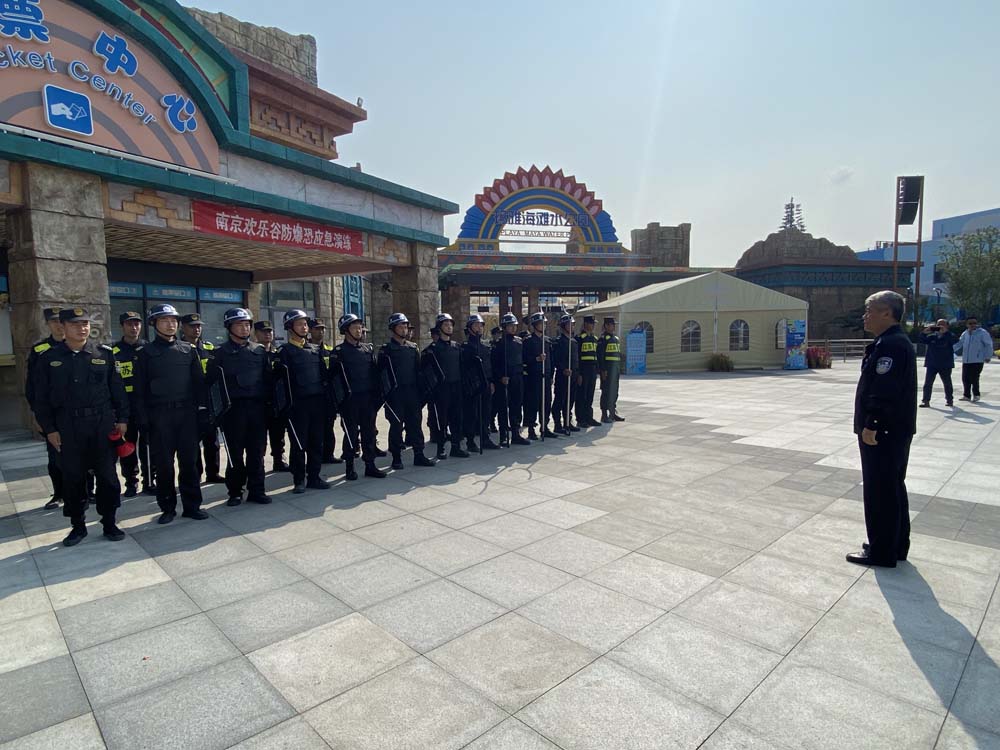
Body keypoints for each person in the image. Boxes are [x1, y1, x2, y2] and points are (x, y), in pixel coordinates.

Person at [30, 308, 129, 546]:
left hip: (101, 426)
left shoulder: (103, 354)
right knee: (73, 478)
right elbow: (40, 398)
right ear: (62, 327)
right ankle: (78, 525)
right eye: (75, 324)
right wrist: (49, 429)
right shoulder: (48, 358)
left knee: (108, 477)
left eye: (85, 323)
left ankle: (109, 522)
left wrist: (123, 419)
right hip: (68, 427)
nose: (82, 328)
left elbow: (117, 390)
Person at [846, 290, 917, 568]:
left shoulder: (890, 345)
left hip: (884, 430)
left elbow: (884, 389)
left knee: (880, 490)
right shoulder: (892, 342)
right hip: (895, 429)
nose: (865, 316)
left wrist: (872, 423)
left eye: (870, 310)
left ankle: (881, 551)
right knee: (892, 487)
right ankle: (894, 544)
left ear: (887, 313)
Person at [134, 304, 209, 525]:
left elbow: (199, 385)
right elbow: (139, 391)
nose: (170, 324)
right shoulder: (145, 353)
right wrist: (143, 421)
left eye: (174, 320)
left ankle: (192, 506)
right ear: (154, 324)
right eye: (165, 320)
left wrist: (202, 413)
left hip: (186, 415)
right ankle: (167, 507)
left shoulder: (188, 350)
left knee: (189, 463)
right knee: (164, 465)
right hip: (160, 417)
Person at [207, 308, 272, 507]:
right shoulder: (219, 353)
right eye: (239, 325)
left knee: (257, 452)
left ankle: (257, 490)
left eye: (247, 324)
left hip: (256, 409)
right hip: (233, 411)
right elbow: (212, 385)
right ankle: (235, 491)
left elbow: (268, 380)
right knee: (235, 453)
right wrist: (216, 414)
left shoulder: (259, 351)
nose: (244, 328)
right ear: (229, 327)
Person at [276, 309, 330, 494]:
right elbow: (279, 383)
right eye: (299, 324)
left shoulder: (315, 350)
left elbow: (324, 377)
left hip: (317, 403)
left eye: (305, 324)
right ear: (290, 327)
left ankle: (314, 476)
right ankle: (299, 480)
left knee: (316, 442)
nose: (304, 327)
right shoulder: (284, 352)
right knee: (299, 444)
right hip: (297, 406)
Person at [332, 313, 387, 480]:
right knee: (351, 435)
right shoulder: (338, 352)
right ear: (345, 330)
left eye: (360, 327)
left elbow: (375, 374)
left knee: (369, 433)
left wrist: (378, 397)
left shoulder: (367, 350)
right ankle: (349, 467)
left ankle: (370, 465)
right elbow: (334, 380)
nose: (359, 330)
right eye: (355, 327)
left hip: (368, 399)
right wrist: (339, 403)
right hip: (350, 401)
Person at [379, 313, 435, 470]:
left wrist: (422, 393)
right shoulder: (386, 350)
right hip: (395, 395)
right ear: (393, 328)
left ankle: (419, 454)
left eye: (405, 326)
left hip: (412, 393)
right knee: (396, 426)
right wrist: (386, 396)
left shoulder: (412, 348)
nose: (404, 329)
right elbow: (381, 374)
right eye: (400, 326)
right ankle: (396, 458)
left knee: (415, 424)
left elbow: (418, 371)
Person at [25, 306, 65, 510]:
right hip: (52, 413)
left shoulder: (78, 347)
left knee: (84, 454)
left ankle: (88, 491)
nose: (59, 325)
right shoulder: (40, 350)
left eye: (61, 321)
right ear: (47, 324)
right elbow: (32, 387)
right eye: (54, 321)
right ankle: (59, 493)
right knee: (55, 456)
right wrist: (37, 415)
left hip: (76, 412)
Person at [112, 311, 154, 497]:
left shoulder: (149, 349)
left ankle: (149, 480)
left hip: (145, 406)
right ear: (122, 326)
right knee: (127, 446)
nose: (134, 327)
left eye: (137, 324)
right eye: (129, 324)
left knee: (148, 446)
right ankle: (131, 482)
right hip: (125, 408)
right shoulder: (113, 352)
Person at [180, 313, 224, 483]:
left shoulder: (208, 348)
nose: (196, 329)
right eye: (192, 326)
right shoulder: (179, 349)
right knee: (192, 444)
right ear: (183, 328)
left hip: (209, 402)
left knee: (212, 441)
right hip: (189, 403)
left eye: (199, 326)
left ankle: (213, 473)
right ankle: (195, 475)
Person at [423, 313, 468, 459]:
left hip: (456, 387)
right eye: (445, 325)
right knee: (441, 420)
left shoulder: (457, 347)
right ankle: (441, 448)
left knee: (457, 418)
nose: (449, 327)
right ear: (439, 327)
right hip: (441, 389)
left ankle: (456, 447)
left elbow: (462, 367)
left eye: (450, 325)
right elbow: (426, 371)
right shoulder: (433, 349)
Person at [254, 320, 289, 471]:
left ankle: (278, 459)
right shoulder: (253, 353)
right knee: (259, 437)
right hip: (260, 401)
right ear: (256, 334)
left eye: (270, 331)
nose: (267, 334)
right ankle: (259, 463)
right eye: (264, 332)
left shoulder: (278, 353)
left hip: (276, 400)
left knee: (278, 433)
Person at [461, 313, 499, 452]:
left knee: (486, 412)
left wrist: (491, 381)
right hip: (473, 385)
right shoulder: (465, 347)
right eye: (476, 325)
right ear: (470, 328)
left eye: (481, 325)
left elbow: (489, 366)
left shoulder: (485, 346)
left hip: (486, 383)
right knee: (472, 413)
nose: (479, 327)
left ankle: (485, 437)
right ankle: (470, 441)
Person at [492, 312, 530, 446]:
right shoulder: (499, 343)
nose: (513, 328)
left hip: (517, 377)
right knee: (503, 407)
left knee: (516, 406)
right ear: (504, 327)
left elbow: (524, 359)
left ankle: (515, 433)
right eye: (510, 326)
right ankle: (503, 435)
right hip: (504, 379)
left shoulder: (519, 341)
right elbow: (494, 363)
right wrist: (500, 377)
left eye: (515, 325)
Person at [310, 318, 342, 465]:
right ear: (310, 331)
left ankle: (328, 454)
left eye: (322, 329)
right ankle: (315, 457)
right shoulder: (306, 350)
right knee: (314, 429)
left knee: (329, 426)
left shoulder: (329, 350)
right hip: (313, 395)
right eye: (317, 329)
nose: (321, 331)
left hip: (328, 395)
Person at [523, 311, 558, 440]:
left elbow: (552, 360)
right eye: (540, 323)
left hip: (546, 376)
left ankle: (545, 426)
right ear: (535, 325)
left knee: (546, 403)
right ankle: (531, 428)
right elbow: (524, 359)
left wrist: (551, 375)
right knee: (532, 403)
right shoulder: (528, 341)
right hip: (534, 377)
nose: (543, 326)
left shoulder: (547, 341)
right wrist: (536, 359)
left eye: (544, 323)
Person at [551, 313, 580, 435]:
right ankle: (557, 424)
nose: (572, 327)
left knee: (570, 400)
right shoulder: (559, 342)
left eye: (573, 324)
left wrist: (578, 374)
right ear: (563, 326)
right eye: (569, 324)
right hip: (563, 375)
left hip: (573, 375)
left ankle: (568, 421)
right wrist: (563, 369)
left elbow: (576, 360)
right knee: (560, 400)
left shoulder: (574, 342)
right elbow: (556, 359)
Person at [953, 316, 993, 402]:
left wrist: (988, 356)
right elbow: (959, 344)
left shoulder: (982, 333)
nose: (972, 325)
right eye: (970, 323)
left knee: (974, 378)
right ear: (967, 324)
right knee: (965, 378)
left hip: (977, 360)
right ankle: (966, 395)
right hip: (966, 360)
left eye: (974, 323)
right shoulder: (965, 333)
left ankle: (976, 395)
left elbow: (988, 344)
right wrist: (949, 350)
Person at [919, 319, 955, 408]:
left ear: (947, 326)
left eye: (943, 324)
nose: (940, 326)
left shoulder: (950, 335)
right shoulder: (932, 336)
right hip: (932, 363)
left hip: (945, 364)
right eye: (938, 325)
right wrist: (924, 332)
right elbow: (922, 340)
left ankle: (949, 400)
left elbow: (954, 341)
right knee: (928, 383)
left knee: (947, 383)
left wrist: (946, 333)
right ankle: (925, 401)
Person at [575, 314, 602, 428]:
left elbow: (596, 355)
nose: (593, 325)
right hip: (584, 370)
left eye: (594, 324)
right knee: (582, 395)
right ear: (585, 324)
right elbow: (578, 357)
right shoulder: (579, 338)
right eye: (591, 323)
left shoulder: (594, 338)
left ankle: (588, 417)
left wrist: (598, 370)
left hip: (592, 370)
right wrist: (579, 373)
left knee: (590, 395)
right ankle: (580, 419)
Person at [597, 317, 625, 422]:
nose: (614, 327)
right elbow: (600, 356)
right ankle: (604, 414)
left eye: (614, 325)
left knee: (614, 392)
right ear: (606, 326)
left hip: (615, 370)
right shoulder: (603, 339)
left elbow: (616, 354)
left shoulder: (615, 338)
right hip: (607, 370)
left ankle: (612, 413)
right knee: (606, 392)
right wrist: (603, 370)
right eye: (612, 325)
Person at [422, 325, 442, 445]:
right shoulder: (428, 351)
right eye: (435, 335)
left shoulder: (443, 349)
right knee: (433, 411)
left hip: (443, 386)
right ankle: (434, 433)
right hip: (433, 386)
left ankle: (442, 432)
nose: (437, 337)